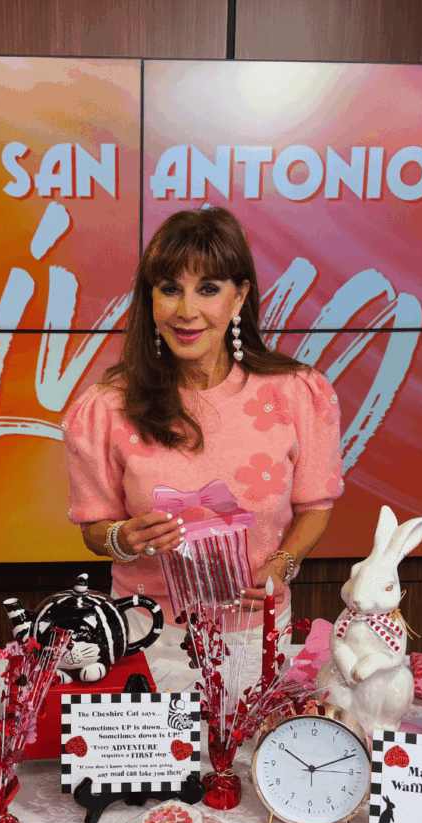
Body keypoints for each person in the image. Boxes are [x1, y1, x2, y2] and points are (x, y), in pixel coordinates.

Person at [63, 207, 343, 644]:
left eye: (208, 289)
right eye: (170, 289)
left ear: (238, 297)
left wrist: (284, 563)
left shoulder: (298, 393)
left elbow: (315, 506)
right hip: (141, 632)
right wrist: (121, 538)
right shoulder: (105, 408)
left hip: (257, 632)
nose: (187, 311)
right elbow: (94, 530)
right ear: (150, 299)